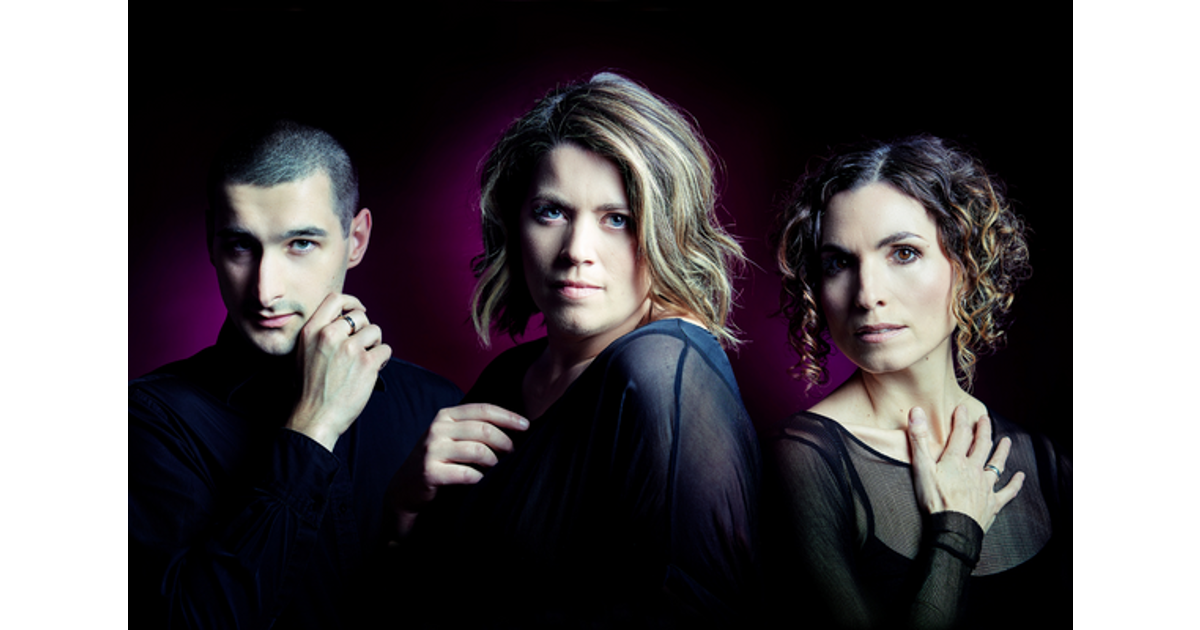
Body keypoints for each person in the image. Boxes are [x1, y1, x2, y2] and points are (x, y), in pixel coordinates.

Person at [387, 73, 760, 627]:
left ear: (666, 232)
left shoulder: (661, 371)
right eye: (552, 212)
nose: (576, 251)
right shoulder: (510, 376)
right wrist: (407, 503)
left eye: (617, 220)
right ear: (515, 224)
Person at [127, 119, 464, 629]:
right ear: (211, 242)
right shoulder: (152, 423)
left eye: (300, 243)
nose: (265, 291)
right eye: (241, 245)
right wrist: (314, 427)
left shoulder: (434, 407)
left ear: (356, 239)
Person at [762, 135, 1073, 629]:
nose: (867, 295)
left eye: (903, 253)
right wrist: (956, 532)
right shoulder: (804, 460)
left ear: (967, 267)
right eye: (839, 262)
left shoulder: (1044, 462)